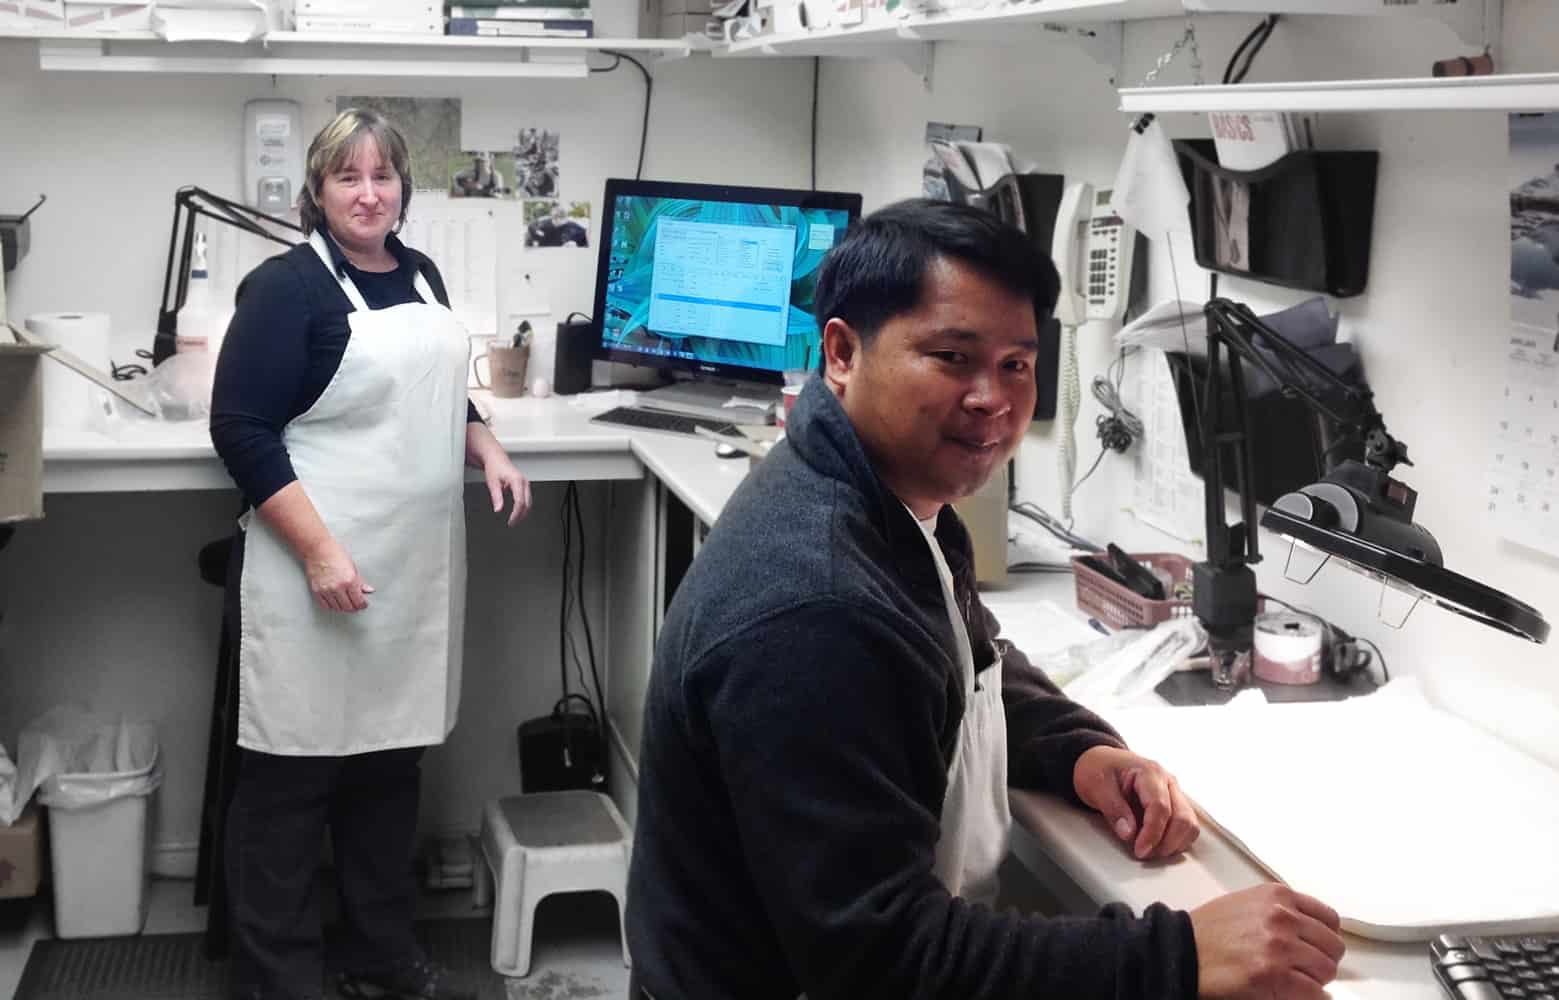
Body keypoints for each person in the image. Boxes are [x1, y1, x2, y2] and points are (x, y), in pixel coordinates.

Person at [625, 199, 1347, 1000]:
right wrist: (1177, 956)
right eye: (950, 356)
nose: (992, 398)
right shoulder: (817, 609)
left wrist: (1078, 750)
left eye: (1015, 364)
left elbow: (971, 655)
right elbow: (878, 962)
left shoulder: (887, 498)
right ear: (840, 351)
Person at [210, 107, 533, 1000]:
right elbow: (238, 428)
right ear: (317, 191)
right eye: (347, 177)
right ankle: (280, 979)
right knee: (289, 781)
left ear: (402, 188)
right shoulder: (287, 289)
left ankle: (380, 954)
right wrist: (318, 554)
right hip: (311, 565)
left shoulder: (418, 273)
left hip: (412, 568)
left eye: (382, 175)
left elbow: (436, 392)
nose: (368, 192)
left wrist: (486, 441)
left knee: (389, 770)